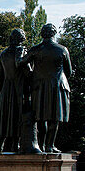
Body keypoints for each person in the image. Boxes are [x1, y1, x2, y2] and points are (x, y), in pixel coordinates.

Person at [20, 23, 73, 153]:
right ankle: (50, 145)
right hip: (57, 86)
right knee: (54, 117)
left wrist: (31, 74)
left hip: (39, 87)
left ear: (42, 34)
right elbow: (69, 71)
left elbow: (21, 63)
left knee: (41, 117)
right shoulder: (62, 49)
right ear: (54, 34)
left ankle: (42, 145)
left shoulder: (35, 49)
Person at [0, 29, 28, 153]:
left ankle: (0, 145)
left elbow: (0, 76)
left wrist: (2, 91)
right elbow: (27, 70)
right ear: (20, 38)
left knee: (5, 117)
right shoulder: (21, 51)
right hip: (18, 87)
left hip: (6, 88)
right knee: (18, 116)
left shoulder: (3, 54)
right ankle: (17, 144)